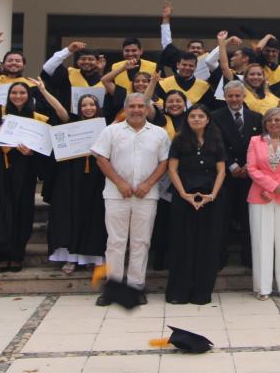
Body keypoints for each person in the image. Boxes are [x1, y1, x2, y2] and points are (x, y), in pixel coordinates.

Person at [0, 56, 68, 273]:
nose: (18, 96)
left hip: (24, 170)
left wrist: (43, 90)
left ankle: (17, 255)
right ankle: (0, 255)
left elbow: (63, 116)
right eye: (14, 93)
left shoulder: (37, 118)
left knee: (21, 212)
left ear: (29, 96)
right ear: (9, 95)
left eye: (22, 93)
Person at [92, 92, 170, 306]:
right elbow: (101, 158)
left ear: (147, 109)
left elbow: (164, 162)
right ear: (125, 108)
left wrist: (148, 184)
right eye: (132, 106)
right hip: (116, 194)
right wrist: (119, 182)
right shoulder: (111, 131)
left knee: (141, 242)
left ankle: (136, 287)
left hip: (147, 195)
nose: (136, 110)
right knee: (115, 242)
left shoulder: (159, 133)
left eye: (140, 106)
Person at [165, 104, 227, 304]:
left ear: (208, 119)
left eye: (201, 116)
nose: (197, 119)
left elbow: (221, 171)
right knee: (183, 243)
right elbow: (172, 169)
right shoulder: (179, 139)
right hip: (184, 198)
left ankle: (202, 292)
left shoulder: (216, 139)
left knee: (206, 245)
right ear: (187, 119)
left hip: (210, 199)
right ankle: (179, 292)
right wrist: (184, 194)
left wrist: (212, 195)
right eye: (193, 116)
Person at [46, 94, 107, 275]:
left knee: (94, 216)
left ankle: (92, 258)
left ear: (97, 107)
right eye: (84, 105)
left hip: (96, 178)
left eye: (92, 104)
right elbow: (59, 110)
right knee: (70, 215)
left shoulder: (105, 128)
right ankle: (71, 258)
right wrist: (42, 90)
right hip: (71, 176)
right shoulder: (72, 124)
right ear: (79, 108)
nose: (88, 108)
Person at [246, 107, 280, 300]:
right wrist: (271, 187)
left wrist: (275, 189)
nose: (273, 123)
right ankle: (263, 288)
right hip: (260, 195)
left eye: (277, 120)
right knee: (262, 242)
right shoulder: (255, 141)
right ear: (265, 123)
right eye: (270, 120)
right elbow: (252, 168)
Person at [211, 81, 262, 268]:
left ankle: (249, 258)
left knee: (249, 218)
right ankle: (220, 258)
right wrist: (231, 165)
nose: (234, 99)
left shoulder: (256, 117)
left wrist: (249, 165)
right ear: (224, 97)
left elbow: (260, 145)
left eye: (237, 96)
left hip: (250, 176)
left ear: (244, 96)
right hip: (225, 175)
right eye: (230, 96)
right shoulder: (214, 117)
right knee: (223, 218)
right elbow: (216, 143)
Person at [149, 89, 188, 270]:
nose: (174, 104)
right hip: (162, 175)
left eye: (178, 101)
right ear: (164, 104)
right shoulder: (159, 119)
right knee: (162, 218)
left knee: (181, 219)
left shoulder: (192, 119)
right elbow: (145, 102)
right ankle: (160, 256)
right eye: (170, 101)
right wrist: (153, 83)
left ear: (185, 103)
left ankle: (178, 258)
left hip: (185, 174)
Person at [219, 31, 280, 114]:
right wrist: (221, 42)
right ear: (246, 77)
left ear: (263, 77)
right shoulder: (240, 87)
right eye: (252, 74)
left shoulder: (271, 95)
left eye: (259, 74)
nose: (256, 77)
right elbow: (224, 67)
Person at [41, 41, 107, 112]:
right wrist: (68, 50)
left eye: (91, 59)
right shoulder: (69, 73)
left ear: (97, 62)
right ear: (77, 62)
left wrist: (100, 71)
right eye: (83, 59)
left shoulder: (106, 81)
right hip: (68, 117)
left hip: (96, 118)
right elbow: (47, 69)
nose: (86, 62)